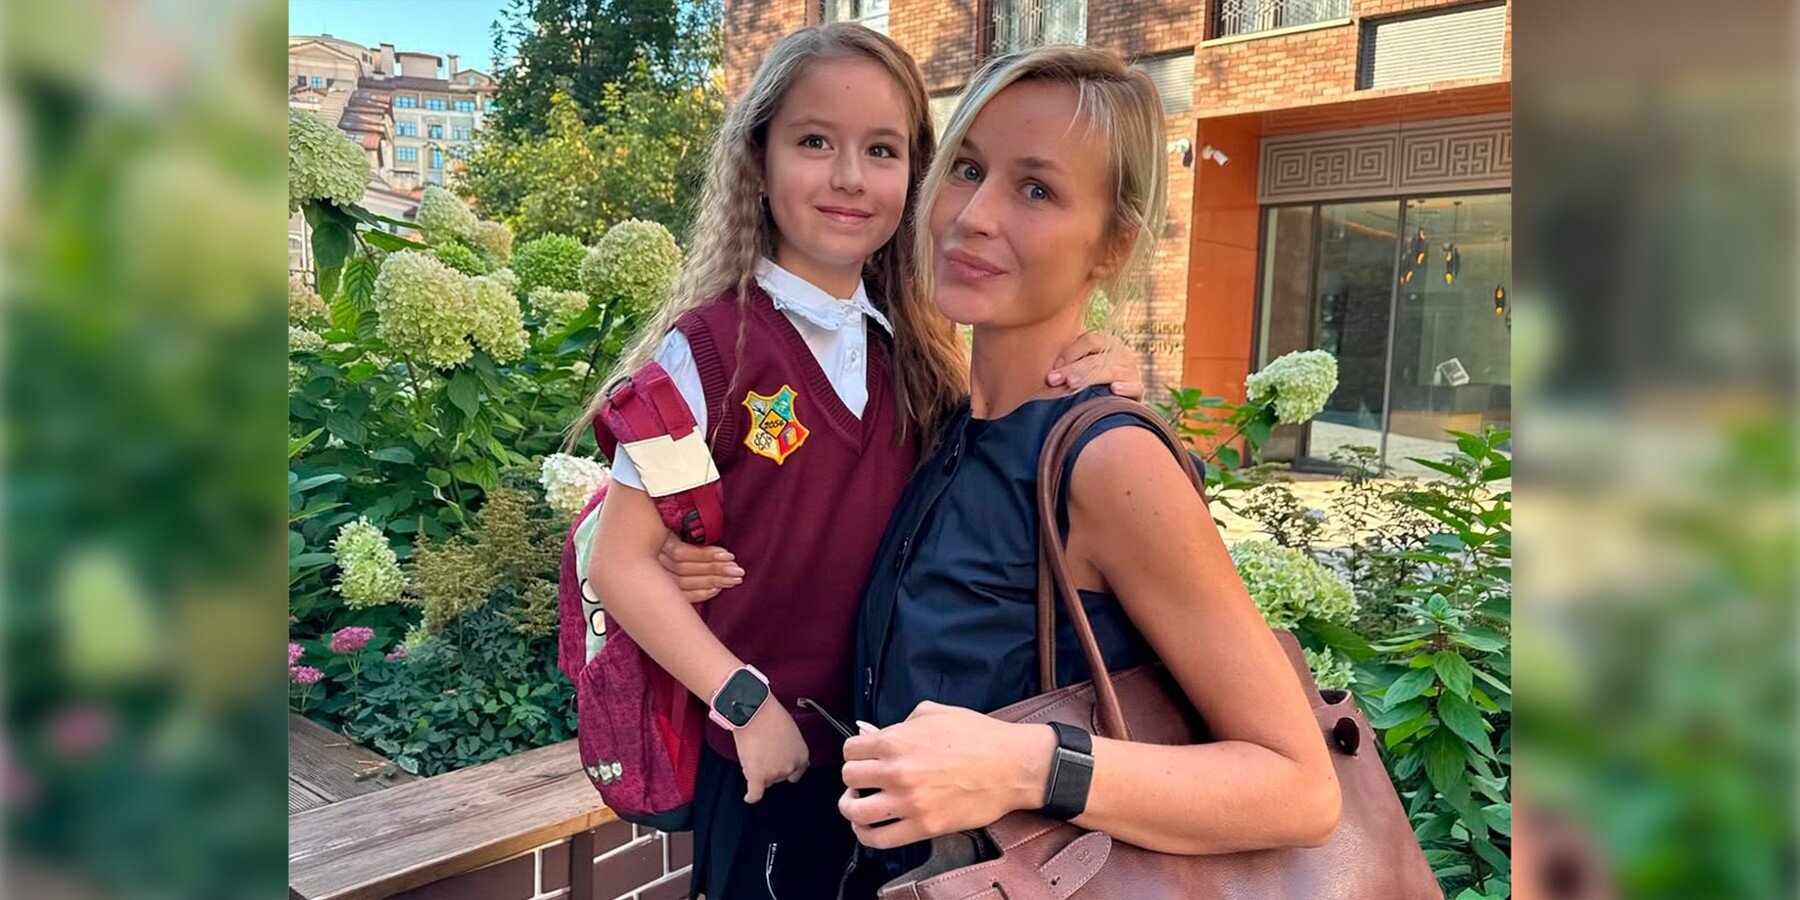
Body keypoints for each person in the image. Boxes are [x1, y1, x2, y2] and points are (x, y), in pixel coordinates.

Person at [579, 25, 1142, 900]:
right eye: (814, 142)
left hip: (900, 769)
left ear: (914, 177)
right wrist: (744, 705)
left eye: (881, 150)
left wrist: (1109, 364)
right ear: (757, 160)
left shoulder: (917, 353)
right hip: (771, 758)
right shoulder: (710, 352)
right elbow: (619, 564)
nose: (849, 177)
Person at [831, 46, 1346, 894]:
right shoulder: (948, 425)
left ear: (1114, 244)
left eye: (1036, 190)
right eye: (967, 169)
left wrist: (1025, 764)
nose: (975, 215)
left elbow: (1300, 788)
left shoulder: (1107, 461)